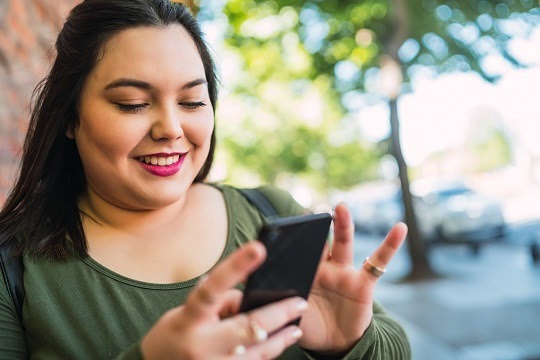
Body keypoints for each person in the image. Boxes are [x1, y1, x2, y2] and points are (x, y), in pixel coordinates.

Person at [0, 0, 411, 358]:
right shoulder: (13, 266)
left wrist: (350, 343)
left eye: (192, 101)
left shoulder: (271, 214)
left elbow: (393, 348)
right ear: (70, 117)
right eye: (133, 104)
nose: (171, 128)